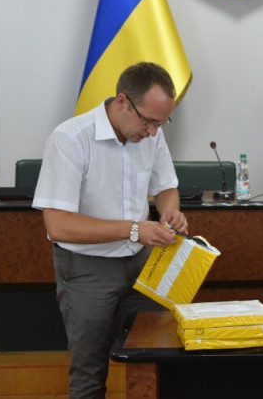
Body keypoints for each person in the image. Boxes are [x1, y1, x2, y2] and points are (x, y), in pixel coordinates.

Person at [33, 62, 188, 398]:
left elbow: (165, 187)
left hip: (143, 263)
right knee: (89, 373)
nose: (152, 132)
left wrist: (170, 212)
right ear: (122, 102)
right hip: (87, 268)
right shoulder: (70, 139)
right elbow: (57, 225)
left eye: (161, 123)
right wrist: (133, 229)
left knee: (156, 358)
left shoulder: (151, 135)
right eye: (148, 121)